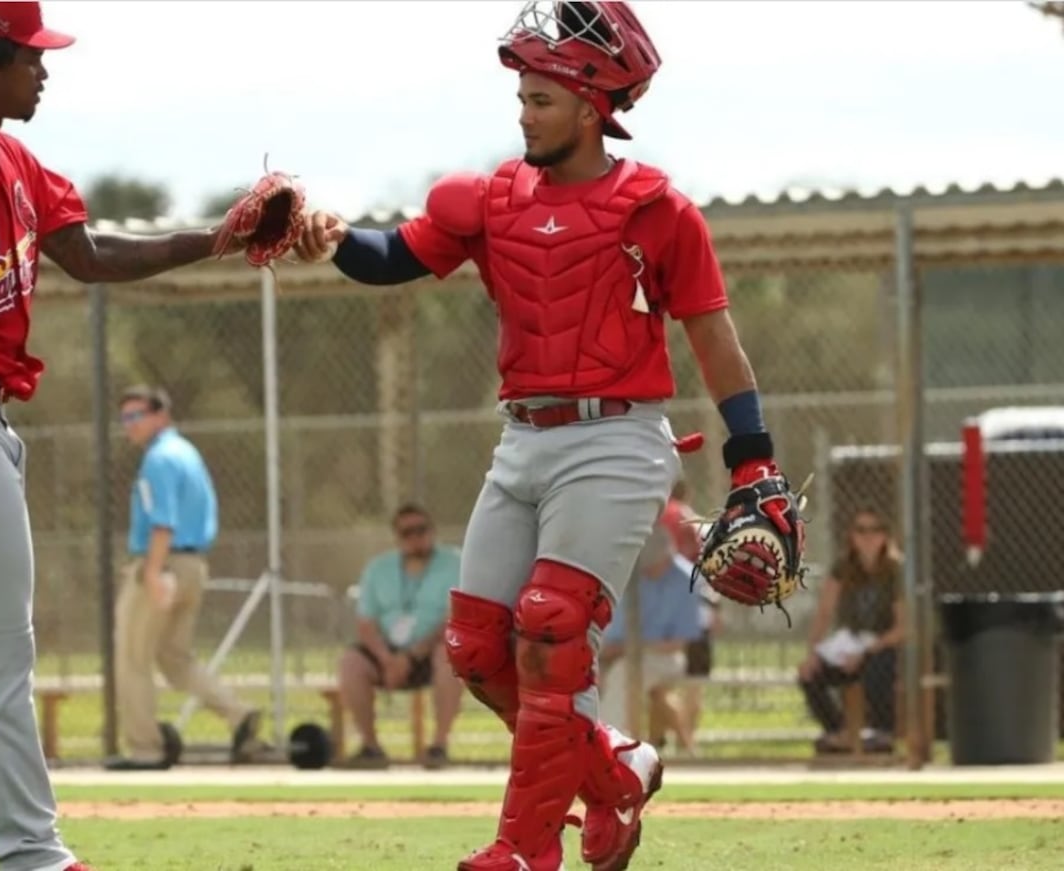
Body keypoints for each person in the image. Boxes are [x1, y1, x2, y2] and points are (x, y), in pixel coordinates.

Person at [294, 4, 799, 868]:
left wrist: (753, 459)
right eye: (522, 96)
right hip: (522, 439)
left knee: (550, 629)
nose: (523, 112)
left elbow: (716, 340)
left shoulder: (658, 210)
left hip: (617, 441)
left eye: (541, 98)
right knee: (479, 649)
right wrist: (330, 235)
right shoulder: (489, 200)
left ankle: (524, 850)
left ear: (595, 101)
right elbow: (393, 258)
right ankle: (616, 771)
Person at [0, 5, 259, 870]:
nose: (44, 70)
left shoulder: (10, 161)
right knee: (3, 642)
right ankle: (31, 852)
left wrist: (218, 239)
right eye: (29, 56)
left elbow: (90, 254)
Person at [105, 385, 264, 771]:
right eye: (124, 417)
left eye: (136, 415)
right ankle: (239, 714)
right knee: (174, 658)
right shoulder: (187, 453)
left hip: (164, 563)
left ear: (161, 415)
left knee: (132, 657)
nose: (130, 424)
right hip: (193, 566)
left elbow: (164, 522)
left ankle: (146, 749)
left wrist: (155, 572)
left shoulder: (159, 459)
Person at [337, 504, 464, 770]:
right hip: (389, 653)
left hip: (430, 650)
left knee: (449, 656)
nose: (416, 537)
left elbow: (453, 619)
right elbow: (366, 623)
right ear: (397, 537)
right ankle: (371, 747)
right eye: (408, 532)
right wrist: (387, 659)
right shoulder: (378, 569)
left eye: (422, 529)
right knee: (351, 662)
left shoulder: (456, 563)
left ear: (433, 531)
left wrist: (412, 655)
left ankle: (438, 746)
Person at [798, 508, 904, 754]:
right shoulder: (843, 567)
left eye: (875, 530)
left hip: (883, 642)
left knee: (880, 664)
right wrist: (813, 653)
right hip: (851, 642)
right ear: (852, 536)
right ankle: (839, 732)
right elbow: (824, 613)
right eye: (861, 530)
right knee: (809, 674)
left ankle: (882, 733)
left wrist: (866, 651)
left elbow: (903, 627)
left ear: (885, 535)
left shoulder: (895, 569)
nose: (868, 537)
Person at [598, 522, 703, 755]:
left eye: (652, 564)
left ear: (667, 556)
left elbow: (679, 644)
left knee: (624, 674)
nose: (646, 570)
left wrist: (633, 648)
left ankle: (608, 748)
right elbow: (613, 630)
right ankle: (586, 743)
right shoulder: (632, 573)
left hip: (664, 656)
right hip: (617, 652)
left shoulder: (686, 579)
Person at [660, 484, 723, 749]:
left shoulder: (657, 517)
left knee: (659, 684)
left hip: (662, 609)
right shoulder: (697, 523)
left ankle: (671, 739)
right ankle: (687, 743)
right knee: (694, 682)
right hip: (699, 610)